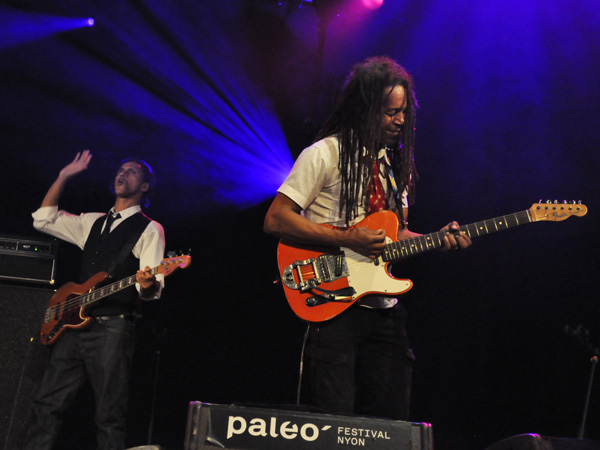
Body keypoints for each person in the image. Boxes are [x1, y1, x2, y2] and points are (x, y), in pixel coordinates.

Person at [263, 56, 471, 420]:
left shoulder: (394, 169)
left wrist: (437, 239)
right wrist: (349, 237)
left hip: (383, 308)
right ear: (365, 108)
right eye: (391, 112)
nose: (401, 121)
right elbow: (276, 219)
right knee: (334, 421)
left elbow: (395, 234)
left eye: (404, 111)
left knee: (390, 421)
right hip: (332, 298)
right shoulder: (325, 154)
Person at [23, 150, 166, 450]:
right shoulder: (92, 222)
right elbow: (43, 219)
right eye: (121, 169)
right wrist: (64, 176)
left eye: (132, 172)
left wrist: (148, 282)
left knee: (109, 414)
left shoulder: (149, 228)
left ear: (145, 187)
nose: (122, 174)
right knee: (46, 404)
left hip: (114, 328)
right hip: (73, 327)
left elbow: (152, 289)